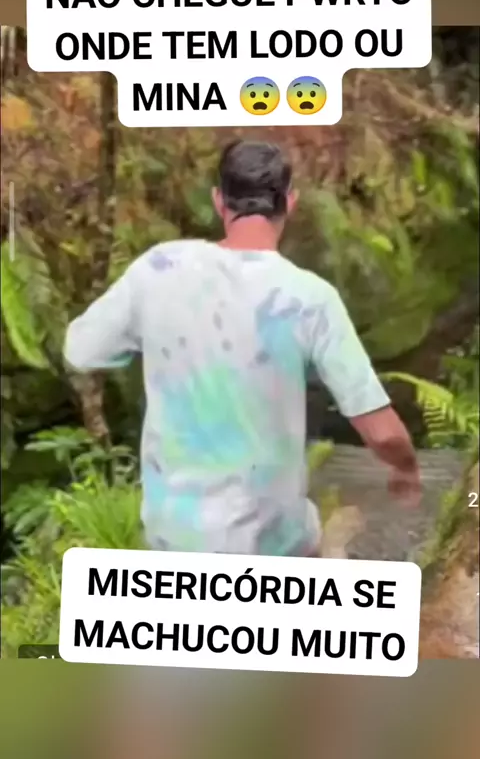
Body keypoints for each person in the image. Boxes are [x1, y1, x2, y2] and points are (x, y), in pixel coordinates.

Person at [64, 139, 421, 558]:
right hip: (274, 546)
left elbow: (80, 351)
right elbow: (380, 430)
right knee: (321, 542)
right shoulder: (309, 298)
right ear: (290, 202)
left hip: (175, 540)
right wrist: (406, 468)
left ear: (219, 200)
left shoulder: (158, 269)